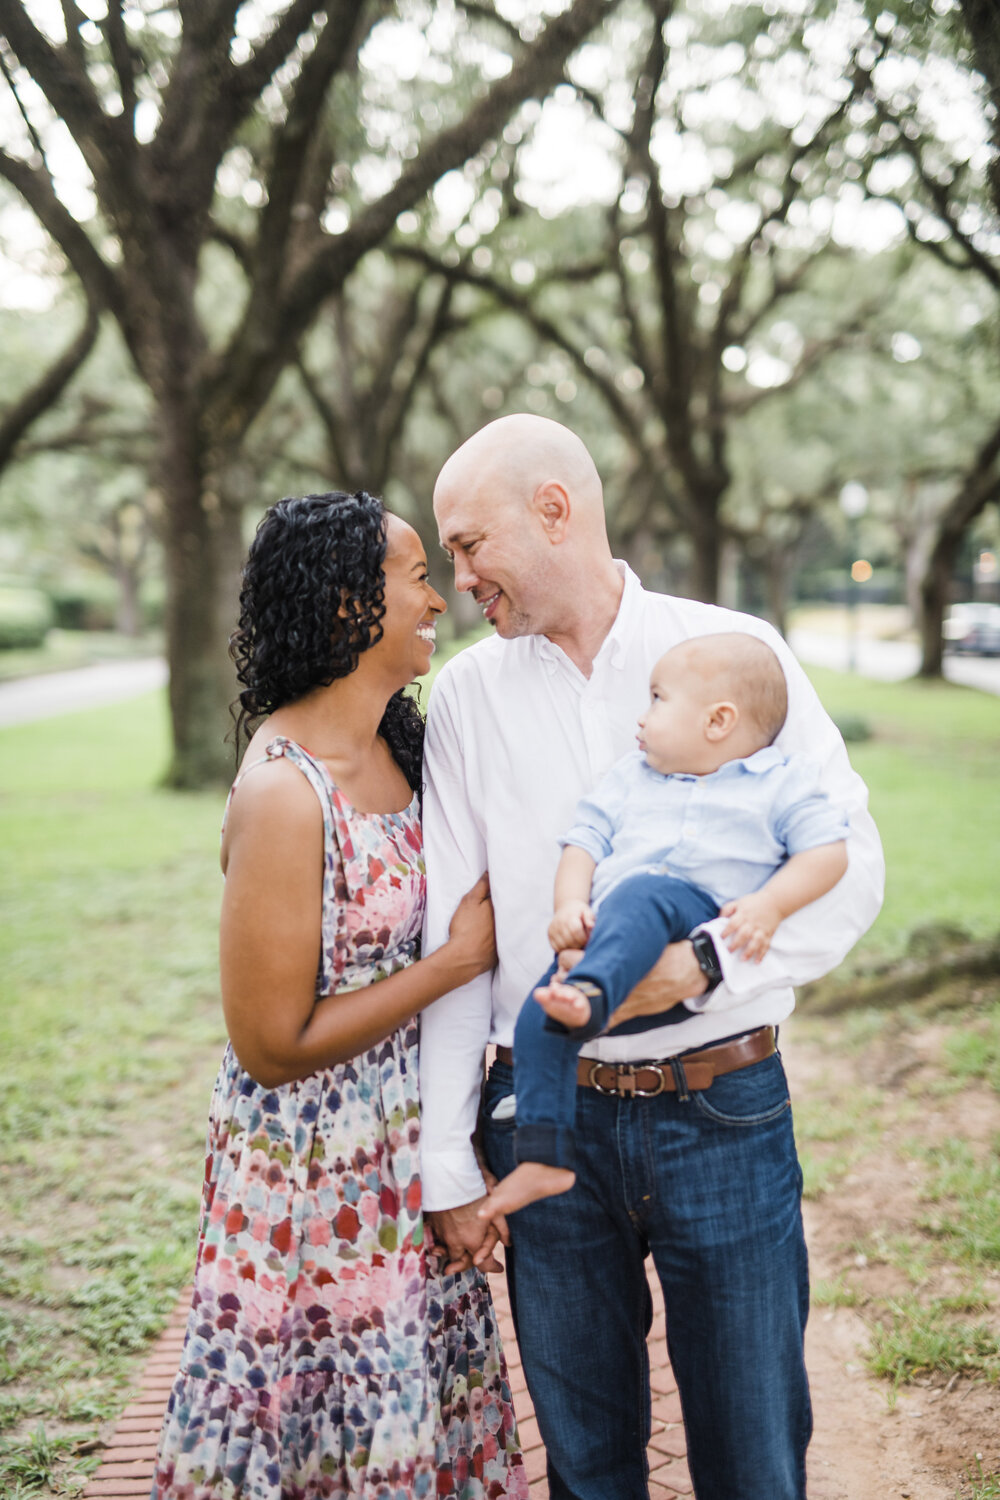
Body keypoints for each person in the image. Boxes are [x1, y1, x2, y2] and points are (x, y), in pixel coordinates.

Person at [417, 415, 885, 1500]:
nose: (458, 578)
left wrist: (705, 968)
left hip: (720, 1112)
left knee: (751, 1457)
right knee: (585, 1470)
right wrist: (447, 1153)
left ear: (552, 510)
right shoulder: (468, 699)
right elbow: (457, 939)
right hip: (543, 1117)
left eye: (469, 542)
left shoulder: (734, 651)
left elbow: (847, 865)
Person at [151, 491, 527, 1500]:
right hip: (313, 1183)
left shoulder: (404, 747)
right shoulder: (283, 791)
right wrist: (447, 967)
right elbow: (271, 1044)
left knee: (412, 1412)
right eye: (415, 577)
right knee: (325, 1425)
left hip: (403, 1154)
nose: (438, 599)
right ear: (348, 606)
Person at [482, 632, 849, 1221]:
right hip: (611, 940)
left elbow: (829, 853)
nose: (642, 715)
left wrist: (769, 906)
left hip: (690, 919)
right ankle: (543, 1154)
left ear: (718, 721)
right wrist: (569, 906)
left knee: (645, 892)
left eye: (657, 698)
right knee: (537, 1014)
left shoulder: (781, 781)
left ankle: (592, 998)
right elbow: (582, 845)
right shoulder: (631, 778)